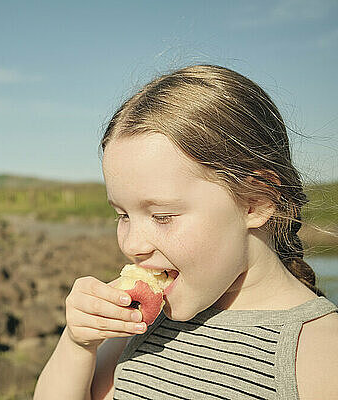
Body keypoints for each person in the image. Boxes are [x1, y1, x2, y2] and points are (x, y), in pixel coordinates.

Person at [34, 64, 338, 399]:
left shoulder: (318, 354)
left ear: (255, 202)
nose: (132, 245)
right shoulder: (137, 328)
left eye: (162, 216)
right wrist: (78, 344)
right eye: (122, 215)